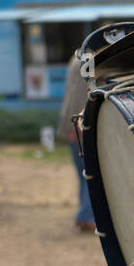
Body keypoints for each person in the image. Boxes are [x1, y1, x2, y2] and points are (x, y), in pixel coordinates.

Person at [57, 51, 94, 232]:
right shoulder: (89, 59)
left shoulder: (76, 58)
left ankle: (86, 213)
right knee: (92, 173)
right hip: (81, 124)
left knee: (83, 174)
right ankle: (86, 215)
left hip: (71, 123)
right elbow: (84, 94)